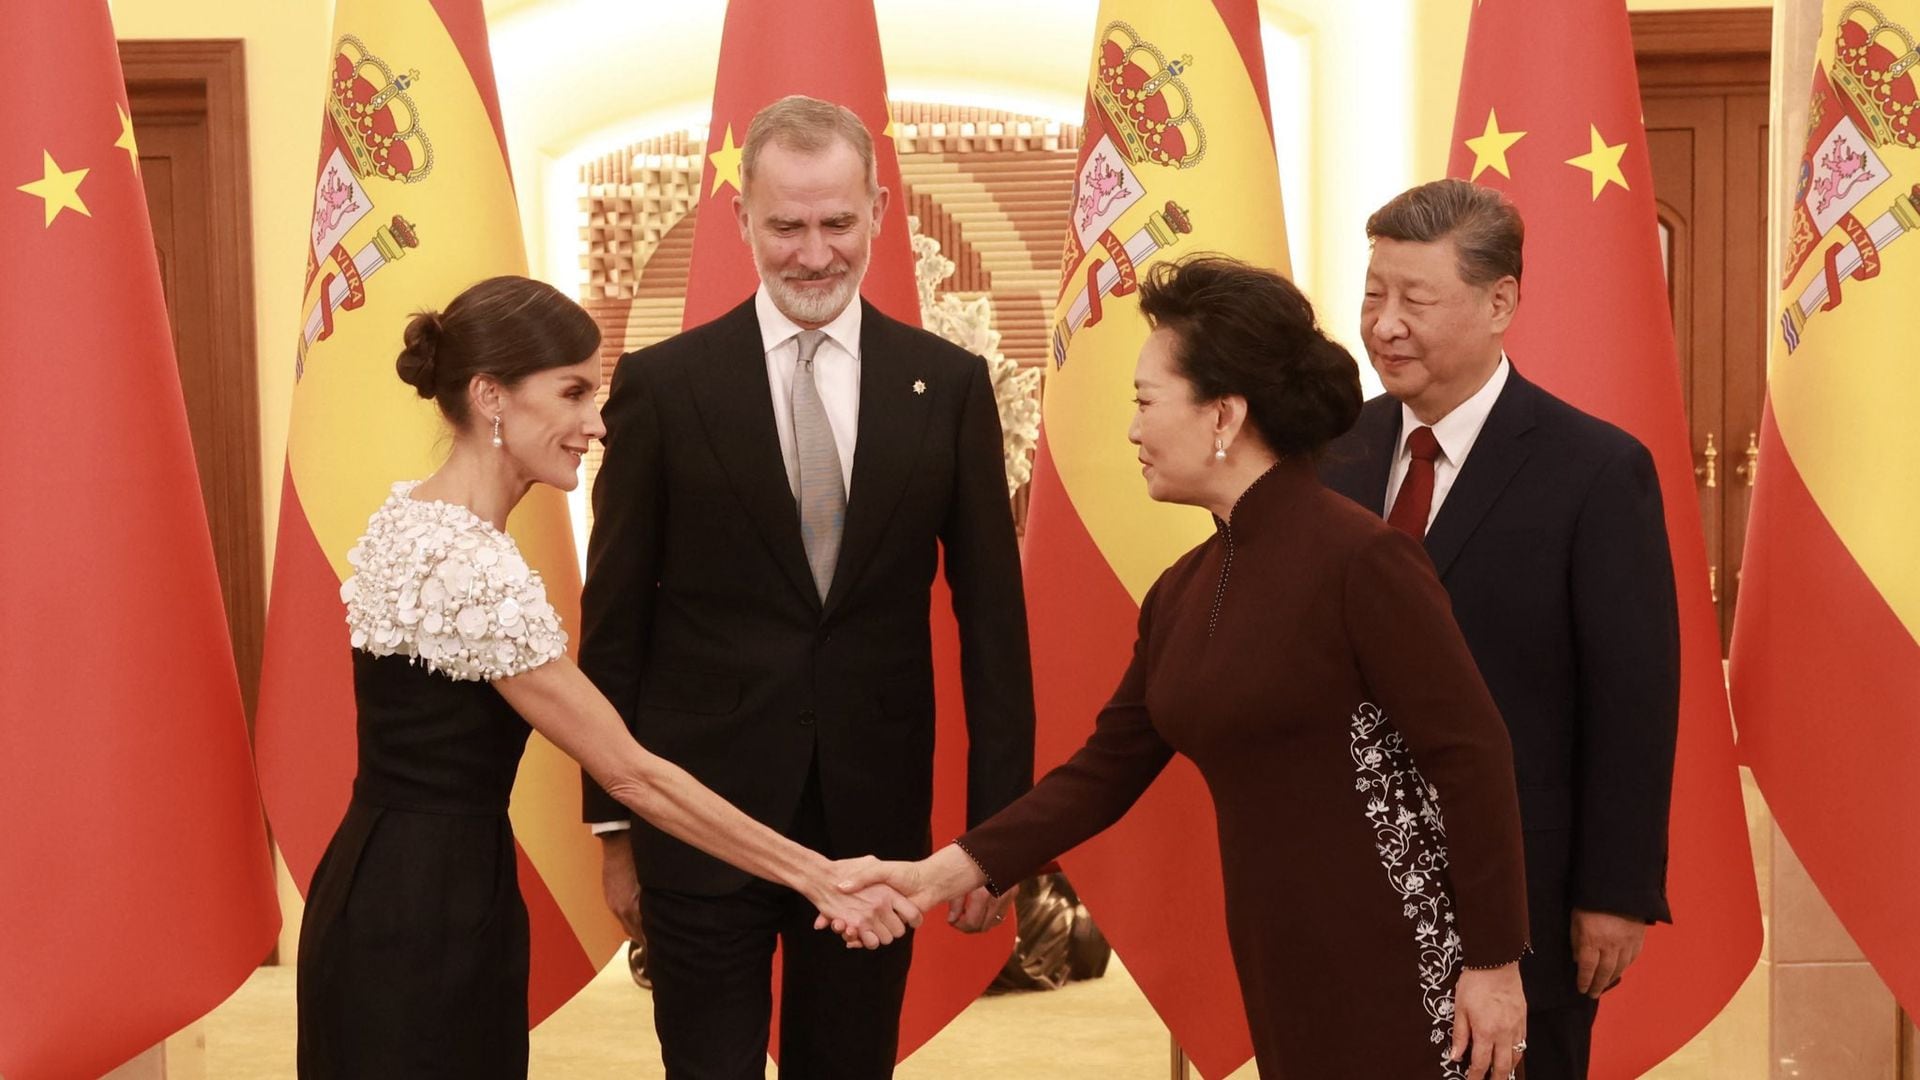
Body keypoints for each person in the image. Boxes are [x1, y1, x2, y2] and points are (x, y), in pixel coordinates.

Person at [838, 255, 1531, 1080]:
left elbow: (1473, 755)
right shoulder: (1183, 590)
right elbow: (1102, 773)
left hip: (1401, 953)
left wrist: (1493, 964)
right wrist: (938, 872)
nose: (1132, 429)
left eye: (1144, 401)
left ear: (1224, 415)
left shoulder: (1363, 561)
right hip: (1280, 956)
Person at [295, 275, 921, 1080]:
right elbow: (632, 774)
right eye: (575, 392)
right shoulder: (464, 563)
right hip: (427, 912)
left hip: (386, 883)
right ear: (491, 396)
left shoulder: (414, 520)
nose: (597, 424)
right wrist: (819, 877)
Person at [578, 95, 1035, 1079]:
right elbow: (613, 616)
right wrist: (615, 829)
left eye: (837, 222)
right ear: (741, 220)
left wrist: (997, 834)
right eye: (786, 225)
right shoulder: (664, 386)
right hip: (700, 816)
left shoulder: (946, 386)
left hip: (872, 827)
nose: (814, 252)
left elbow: (994, 620)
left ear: (878, 209)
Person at [1319, 179, 1681, 1080]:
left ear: (1500, 303)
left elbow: (1631, 699)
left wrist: (1613, 891)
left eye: (1416, 299)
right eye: (1373, 293)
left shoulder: (1595, 470)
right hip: (1345, 893)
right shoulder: (1329, 454)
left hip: (1525, 902)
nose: (1385, 324)